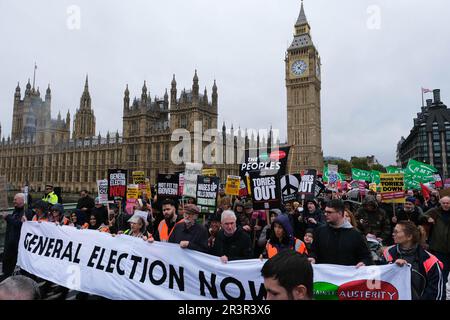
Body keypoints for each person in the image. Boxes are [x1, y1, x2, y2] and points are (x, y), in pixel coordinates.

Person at [381, 221, 445, 300]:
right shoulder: (388, 253)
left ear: (409, 237)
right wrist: (393, 266)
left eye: (396, 232)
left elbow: (436, 293)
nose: (393, 234)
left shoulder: (430, 261)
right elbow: (379, 279)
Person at [309, 199, 373, 266]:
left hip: (347, 275)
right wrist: (312, 257)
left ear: (339, 213)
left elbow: (367, 257)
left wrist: (363, 263)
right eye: (325, 211)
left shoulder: (355, 235)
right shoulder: (320, 231)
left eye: (329, 212)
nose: (325, 214)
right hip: (324, 275)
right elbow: (313, 251)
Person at [0, 193, 33, 280]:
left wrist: (8, 217)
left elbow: (20, 225)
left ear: (23, 201)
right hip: (10, 245)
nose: (14, 201)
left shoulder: (27, 212)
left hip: (18, 246)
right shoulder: (16, 211)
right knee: (6, 265)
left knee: (15, 268)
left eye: (15, 199)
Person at [423, 196, 450, 287]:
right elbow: (421, 215)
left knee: (446, 271)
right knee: (441, 271)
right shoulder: (435, 211)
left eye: (448, 203)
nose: (446, 205)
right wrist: (427, 218)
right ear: (440, 203)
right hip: (438, 247)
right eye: (444, 203)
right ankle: (439, 289)